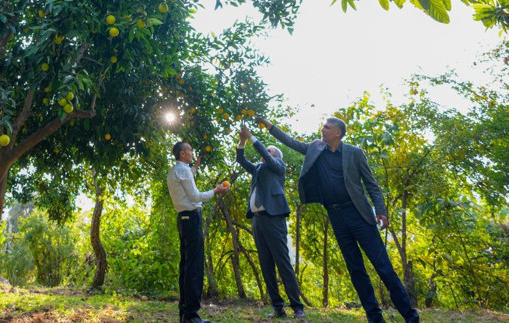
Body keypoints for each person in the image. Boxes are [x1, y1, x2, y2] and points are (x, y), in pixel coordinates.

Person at [258, 116, 419, 323]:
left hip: (359, 214)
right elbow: (291, 142)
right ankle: (374, 317)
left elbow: (371, 184)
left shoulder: (354, 153)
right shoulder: (315, 148)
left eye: (327, 127)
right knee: (356, 269)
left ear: (338, 133)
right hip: (336, 217)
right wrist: (269, 126)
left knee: (383, 267)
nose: (322, 129)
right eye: (323, 126)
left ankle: (410, 317)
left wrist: (381, 210)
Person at [237, 125, 305, 319]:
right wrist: (242, 141)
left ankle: (297, 307)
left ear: (276, 156)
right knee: (266, 264)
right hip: (257, 221)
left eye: (270, 150)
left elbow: (266, 156)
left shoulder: (278, 166)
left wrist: (252, 137)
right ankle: (278, 307)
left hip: (274, 218)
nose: (266, 152)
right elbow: (241, 160)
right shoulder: (258, 169)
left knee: (282, 262)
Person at [167, 141, 230, 323]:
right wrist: (216, 191)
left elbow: (185, 184)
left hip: (183, 219)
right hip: (192, 219)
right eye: (189, 150)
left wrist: (194, 168)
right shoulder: (183, 170)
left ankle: (184, 313)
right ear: (182, 154)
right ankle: (192, 315)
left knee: (186, 266)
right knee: (194, 267)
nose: (192, 152)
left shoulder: (176, 170)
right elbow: (194, 196)